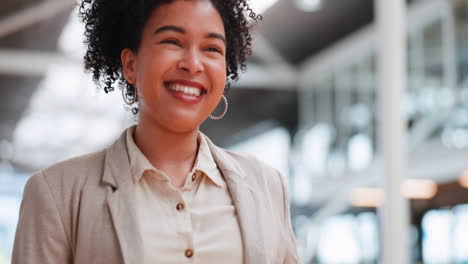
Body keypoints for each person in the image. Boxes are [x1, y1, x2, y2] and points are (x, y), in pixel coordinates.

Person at [12, 0, 301, 263]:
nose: (193, 64)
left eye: (212, 48)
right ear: (130, 64)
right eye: (172, 41)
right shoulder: (58, 194)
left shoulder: (268, 186)